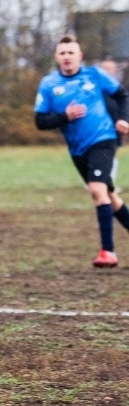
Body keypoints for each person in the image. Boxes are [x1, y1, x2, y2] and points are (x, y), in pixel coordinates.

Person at [35, 35, 129, 268]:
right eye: (62, 53)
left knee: (97, 190)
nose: (67, 57)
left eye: (71, 52)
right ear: (57, 57)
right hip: (77, 149)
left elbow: (121, 96)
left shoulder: (94, 74)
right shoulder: (49, 84)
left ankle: (108, 252)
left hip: (103, 139)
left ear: (80, 56)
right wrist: (64, 116)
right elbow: (40, 121)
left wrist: (123, 119)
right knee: (108, 195)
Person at [100, 57, 123, 190]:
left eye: (109, 69)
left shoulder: (117, 89)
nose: (107, 71)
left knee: (111, 156)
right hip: (99, 128)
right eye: (104, 69)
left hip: (115, 128)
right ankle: (98, 181)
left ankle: (108, 184)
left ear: (114, 70)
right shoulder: (96, 89)